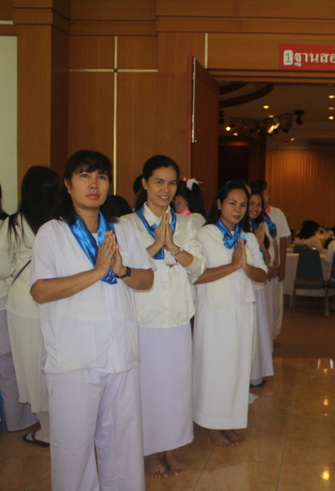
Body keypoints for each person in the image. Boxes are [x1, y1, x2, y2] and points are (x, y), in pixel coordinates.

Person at [30, 150, 154, 491]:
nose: (94, 184)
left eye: (101, 176)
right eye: (84, 176)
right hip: (75, 357)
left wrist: (122, 270)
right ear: (68, 185)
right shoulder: (52, 232)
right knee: (74, 449)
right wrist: (97, 271)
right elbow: (40, 290)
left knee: (123, 443)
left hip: (120, 354)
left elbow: (147, 280)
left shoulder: (122, 229)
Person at [122, 155, 206, 479]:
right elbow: (122, 269)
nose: (165, 189)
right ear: (144, 183)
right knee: (146, 389)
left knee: (175, 387)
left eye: (172, 183)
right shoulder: (126, 225)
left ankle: (170, 449)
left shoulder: (186, 224)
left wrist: (174, 247)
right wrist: (156, 244)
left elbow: (199, 268)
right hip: (144, 319)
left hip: (178, 319)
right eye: (159, 181)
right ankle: (147, 451)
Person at [192, 180, 267, 448]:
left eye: (243, 205)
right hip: (214, 311)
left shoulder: (248, 238)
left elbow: (262, 275)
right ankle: (212, 426)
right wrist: (233, 265)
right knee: (213, 368)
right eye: (232, 203)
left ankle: (229, 421)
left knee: (237, 368)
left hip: (243, 309)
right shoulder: (204, 234)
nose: (238, 209)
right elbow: (196, 275)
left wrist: (245, 266)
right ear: (219, 204)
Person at [0, 167, 59, 446]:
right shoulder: (61, 222)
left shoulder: (13, 224)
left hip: (23, 304)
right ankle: (66, 425)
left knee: (31, 368)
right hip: (58, 301)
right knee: (58, 364)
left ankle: (47, 430)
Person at [0, 174, 38, 436]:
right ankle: (17, 421)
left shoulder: (10, 225)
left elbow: (0, 268)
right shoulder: (0, 226)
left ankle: (7, 421)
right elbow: (0, 272)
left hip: (12, 301)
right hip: (0, 301)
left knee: (11, 366)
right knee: (7, 366)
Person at [249, 179, 290, 339]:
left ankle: (273, 334)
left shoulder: (276, 213)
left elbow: (281, 240)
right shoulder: (252, 217)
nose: (269, 196)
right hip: (259, 267)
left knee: (275, 302)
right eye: (267, 192)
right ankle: (263, 336)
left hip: (273, 263)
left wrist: (281, 266)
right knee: (262, 304)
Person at [245, 189, 274, 387]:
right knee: (249, 330)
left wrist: (261, 243)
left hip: (258, 284)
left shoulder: (258, 226)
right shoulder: (238, 228)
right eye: (251, 203)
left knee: (259, 329)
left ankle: (255, 372)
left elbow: (267, 258)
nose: (255, 208)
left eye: (259, 204)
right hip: (246, 284)